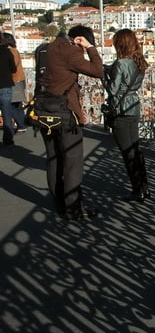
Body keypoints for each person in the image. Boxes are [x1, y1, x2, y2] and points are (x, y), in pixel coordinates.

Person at [36, 26, 104, 220]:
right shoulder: (70, 50)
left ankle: (59, 203)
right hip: (66, 115)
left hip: (43, 112)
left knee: (53, 159)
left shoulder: (44, 48)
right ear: (78, 39)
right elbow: (98, 71)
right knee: (72, 162)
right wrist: (90, 48)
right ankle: (73, 208)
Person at [104, 29, 150, 202]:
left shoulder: (121, 63)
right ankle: (144, 186)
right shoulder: (139, 61)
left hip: (121, 110)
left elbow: (113, 90)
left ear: (120, 44)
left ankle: (137, 190)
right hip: (133, 106)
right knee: (135, 150)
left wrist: (104, 76)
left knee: (127, 153)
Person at [4, 33, 27, 133]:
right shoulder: (14, 50)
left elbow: (12, 67)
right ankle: (22, 124)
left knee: (12, 104)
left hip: (15, 80)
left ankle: (21, 124)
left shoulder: (11, 52)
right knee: (16, 105)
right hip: (18, 79)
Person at [0, 34, 16, 146]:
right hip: (5, 84)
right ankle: (8, 139)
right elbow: (13, 69)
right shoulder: (7, 52)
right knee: (7, 113)